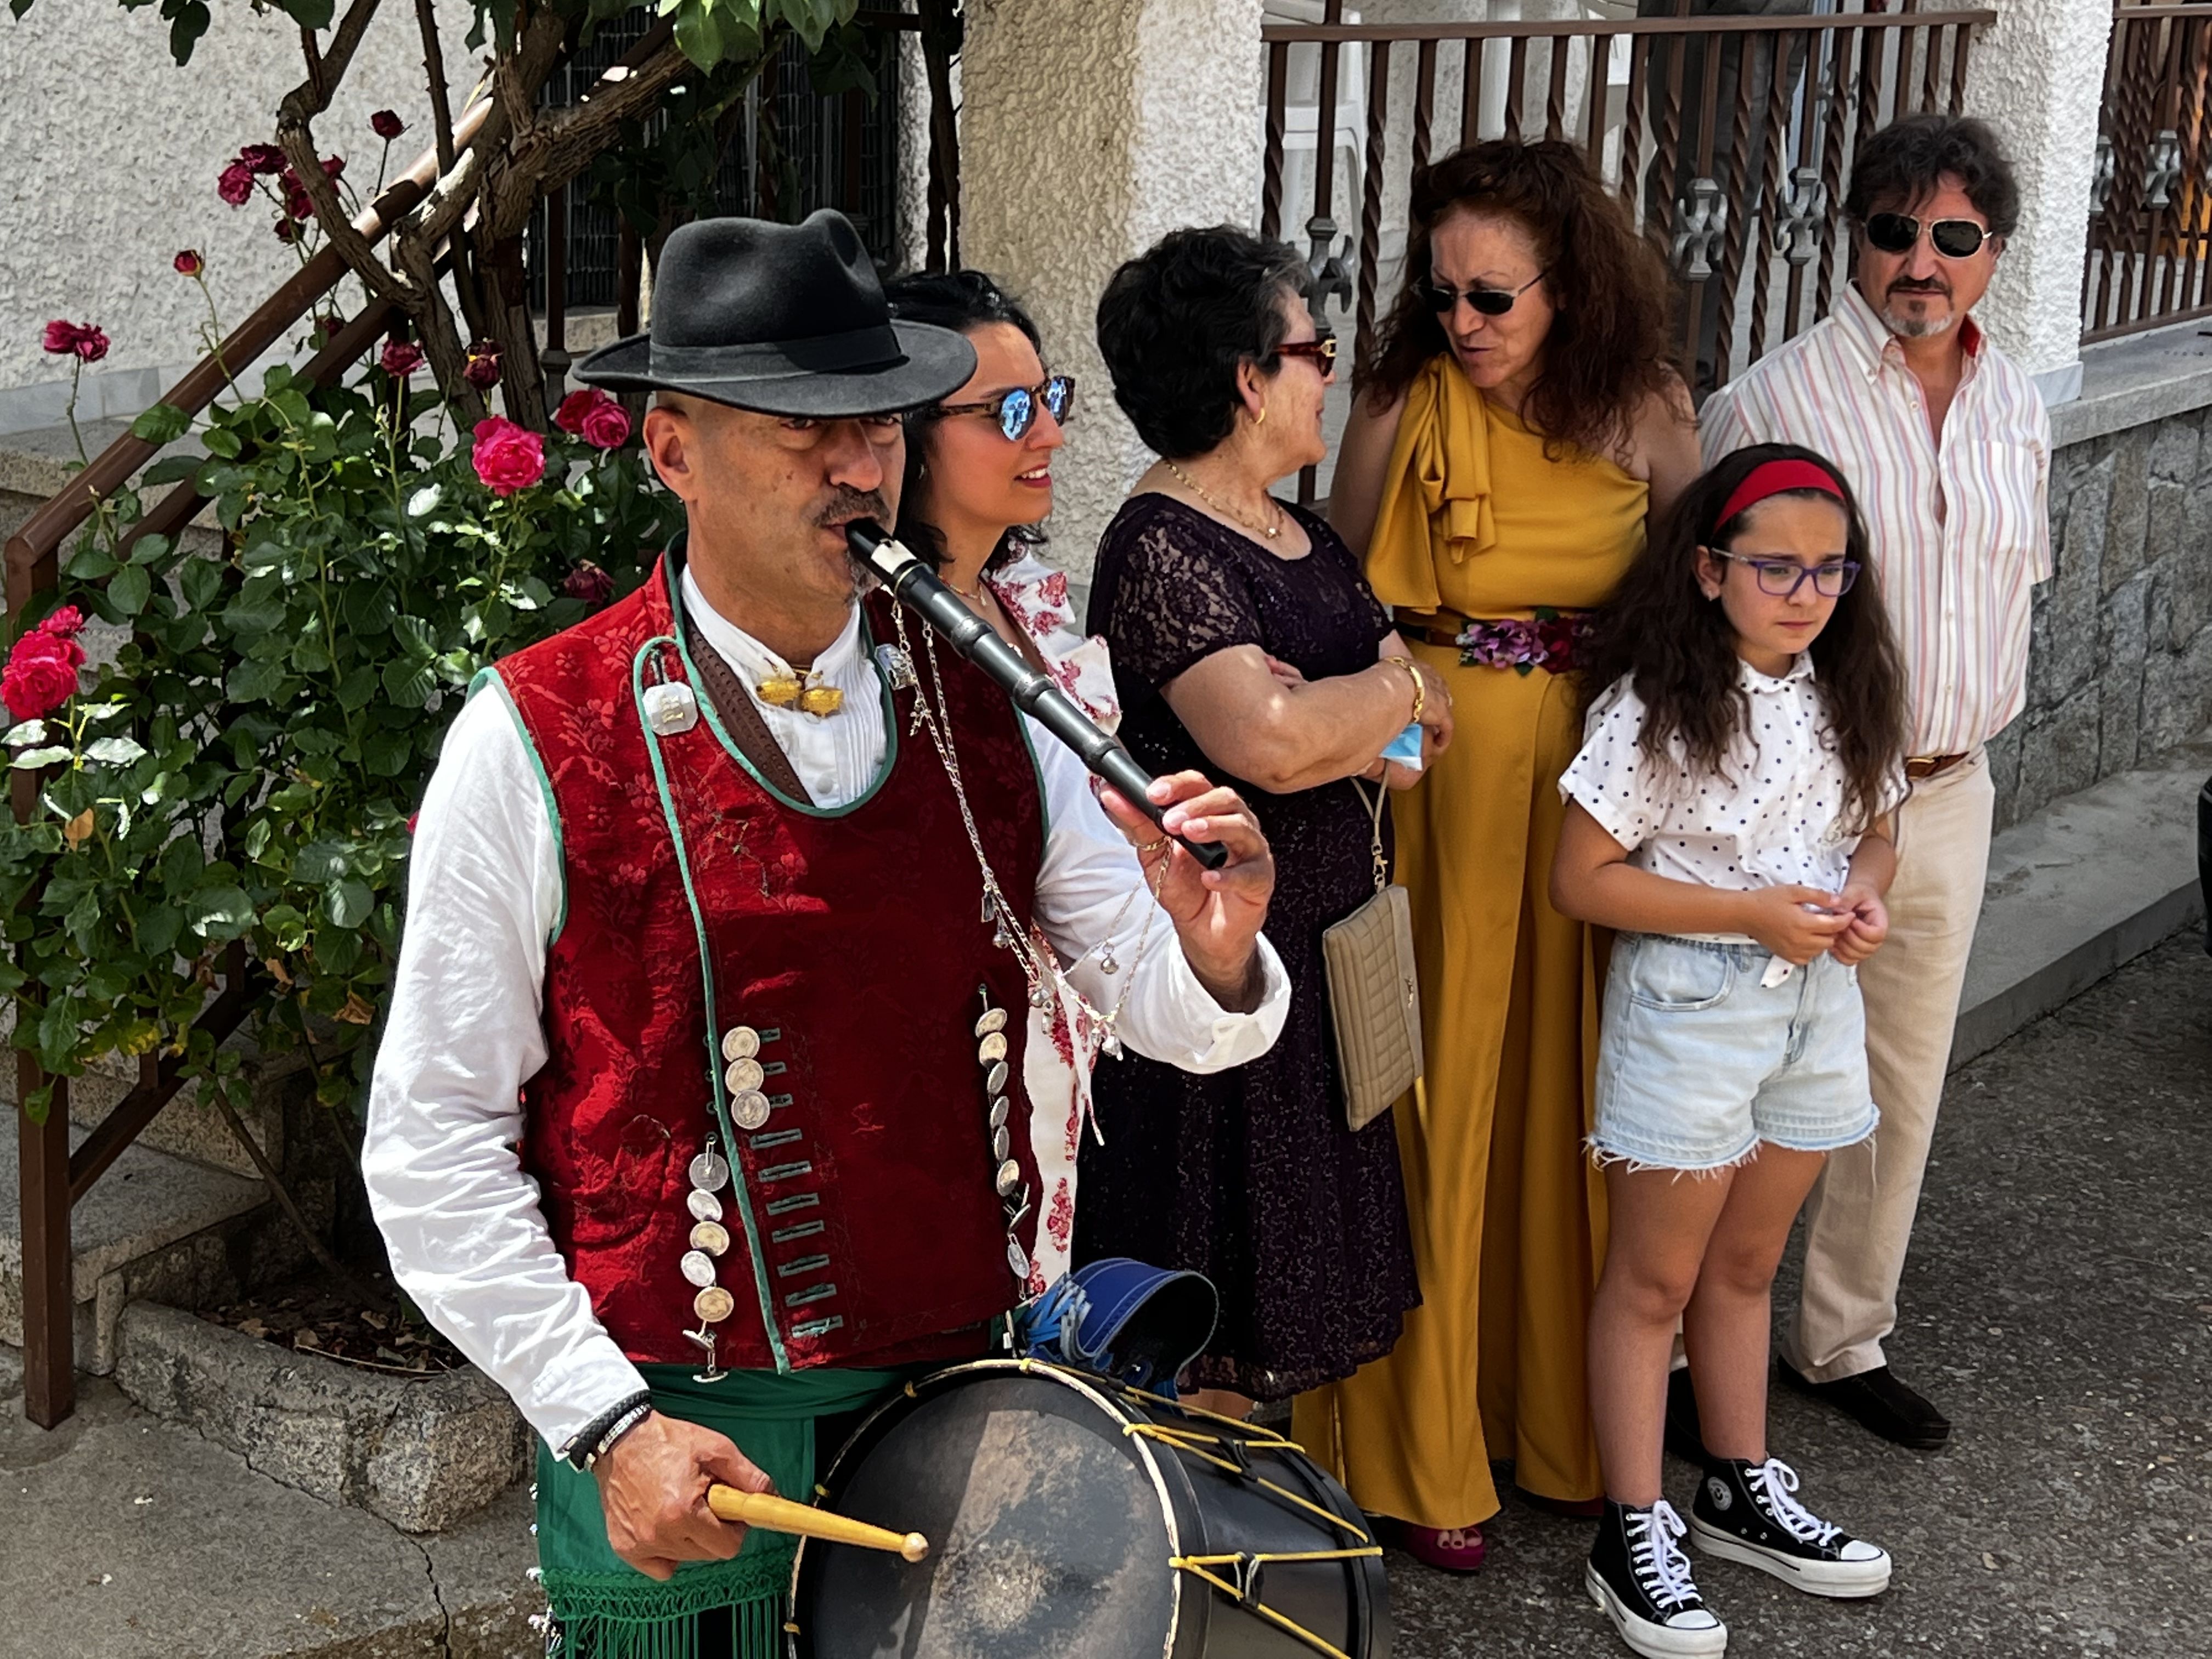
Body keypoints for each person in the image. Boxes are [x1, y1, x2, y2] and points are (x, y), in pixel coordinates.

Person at [361, 211, 1291, 1658]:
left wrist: (1219, 946)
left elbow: (1166, 1002)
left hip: (955, 1417)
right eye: (800, 426)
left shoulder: (994, 708)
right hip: (675, 1436)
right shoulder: (534, 737)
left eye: (876, 422)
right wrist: (602, 1427)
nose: (856, 464)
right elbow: (429, 1142)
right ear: (672, 452)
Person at [1302, 138, 1699, 1570]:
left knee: (1580, 1094)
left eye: (1494, 295)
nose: (1463, 320)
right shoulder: (1402, 402)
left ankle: (1567, 1423)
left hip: (1594, 785)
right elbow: (1339, 600)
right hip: (1440, 779)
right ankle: (1420, 1450)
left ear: (1569, 283)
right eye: (1445, 291)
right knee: (1440, 1093)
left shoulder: (1649, 409)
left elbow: (1697, 606)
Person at [1696, 112, 2051, 1452]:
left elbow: (2009, 590)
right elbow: (1712, 602)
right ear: (1855, 238)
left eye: (1954, 237)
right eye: (1895, 231)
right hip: (1799, 792)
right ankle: (1686, 1338)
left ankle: (1840, 1337)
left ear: (1993, 256)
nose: (1922, 260)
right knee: (1731, 1072)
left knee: (1898, 1080)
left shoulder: (2017, 401)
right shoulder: (1775, 400)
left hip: (1948, 789)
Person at [1075, 225, 1452, 1419]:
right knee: (1212, 1325)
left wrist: (1356, 708)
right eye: (1314, 349)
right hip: (1223, 984)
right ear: (1249, 376)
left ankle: (1248, 1566)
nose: (1329, 372)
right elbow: (1273, 741)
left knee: (1280, 1315)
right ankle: (1194, 1574)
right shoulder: (1160, 546)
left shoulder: (1303, 533)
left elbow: (1412, 756)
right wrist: (1388, 694)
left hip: (1322, 973)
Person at [1553, 444, 1906, 1656]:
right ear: (1709, 572)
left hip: (1814, 1009)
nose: (1806, 592)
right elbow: (1581, 881)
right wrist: (1747, 914)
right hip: (1693, 1013)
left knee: (1746, 1270)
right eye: (1775, 568)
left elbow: (1881, 828)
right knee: (1655, 1280)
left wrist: (1864, 896)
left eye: (1829, 570)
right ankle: (1630, 1522)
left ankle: (1738, 1482)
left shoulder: (1845, 689)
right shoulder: (1653, 710)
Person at [882, 267, 1113, 1285]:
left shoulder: (1027, 608)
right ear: (906, 435)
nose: (1048, 434)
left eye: (1048, 399)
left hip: (1054, 1058)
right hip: (929, 1073)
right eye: (1007, 412)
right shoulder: (869, 636)